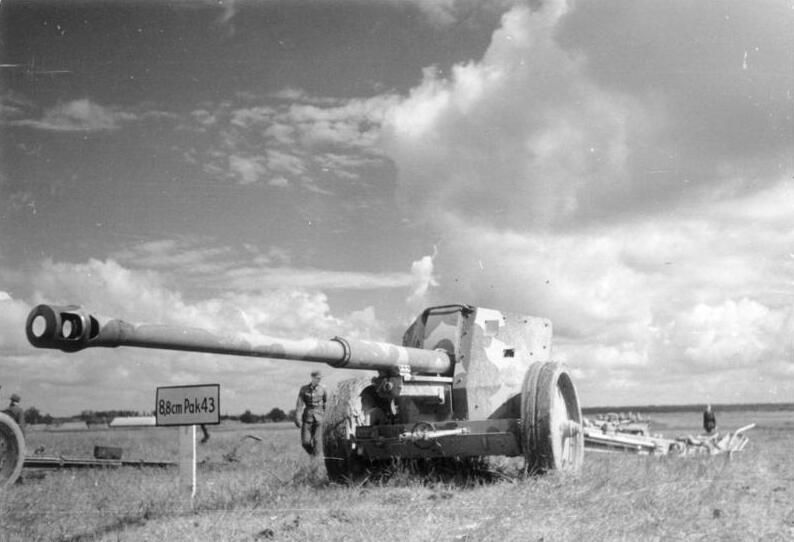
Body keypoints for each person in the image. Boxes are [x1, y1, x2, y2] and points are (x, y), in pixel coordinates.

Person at [295, 370, 327, 456]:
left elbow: (326, 403)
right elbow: (299, 405)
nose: (319, 380)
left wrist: (327, 417)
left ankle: (315, 459)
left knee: (317, 440)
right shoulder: (304, 389)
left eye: (320, 378)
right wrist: (298, 418)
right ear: (312, 378)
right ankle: (312, 454)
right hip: (307, 417)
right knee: (305, 442)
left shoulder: (323, 389)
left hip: (320, 417)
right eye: (317, 378)